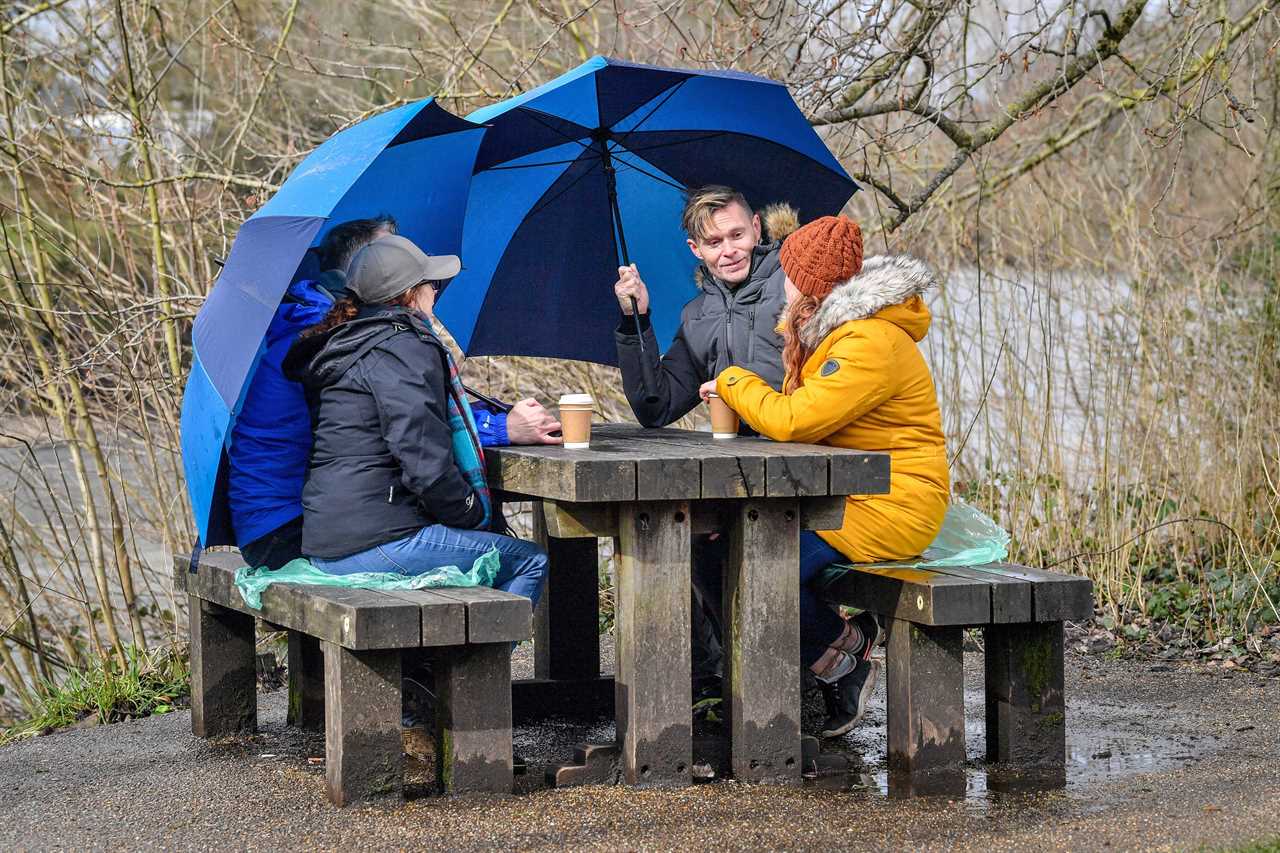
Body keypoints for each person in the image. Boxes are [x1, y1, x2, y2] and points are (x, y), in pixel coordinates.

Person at [704, 215, 950, 737]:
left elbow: (794, 421)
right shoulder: (837, 334)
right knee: (716, 553)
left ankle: (840, 663)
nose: (778, 283)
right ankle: (847, 648)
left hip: (890, 507)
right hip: (849, 501)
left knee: (751, 570)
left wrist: (732, 380)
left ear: (807, 283)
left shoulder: (868, 342)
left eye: (786, 273)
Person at [228, 216, 560, 571]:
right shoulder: (347, 337)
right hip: (288, 525)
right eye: (387, 252)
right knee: (514, 557)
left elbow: (383, 416)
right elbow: (405, 429)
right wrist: (501, 430)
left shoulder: (329, 331)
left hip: (303, 518)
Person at [612, 185, 800, 704]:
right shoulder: (698, 315)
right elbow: (656, 406)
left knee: (739, 550)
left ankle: (827, 657)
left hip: (812, 465)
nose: (729, 250)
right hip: (741, 478)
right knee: (680, 542)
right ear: (696, 249)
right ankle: (715, 680)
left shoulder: (796, 287)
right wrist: (637, 321)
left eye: (737, 235)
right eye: (714, 242)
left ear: (758, 229)